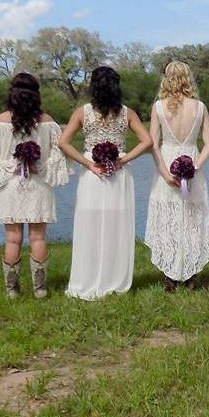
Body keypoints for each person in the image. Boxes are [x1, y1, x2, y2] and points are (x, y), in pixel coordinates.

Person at [58, 66, 152, 299]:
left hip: (93, 173)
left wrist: (87, 163)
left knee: (89, 226)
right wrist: (123, 159)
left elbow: (63, 142)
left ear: (93, 87)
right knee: (116, 227)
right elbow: (147, 141)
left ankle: (88, 278)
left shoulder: (83, 112)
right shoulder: (127, 113)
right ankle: (114, 280)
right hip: (118, 174)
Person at [0, 73, 69, 299]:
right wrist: (42, 167)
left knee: (12, 238)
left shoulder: (1, 120)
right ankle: (40, 289)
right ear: (36, 94)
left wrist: (8, 166)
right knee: (38, 238)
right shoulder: (47, 121)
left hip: (11, 186)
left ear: (12, 92)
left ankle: (12, 290)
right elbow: (62, 151)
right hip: (38, 185)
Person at [145, 61, 209, 291]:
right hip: (192, 159)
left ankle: (171, 276)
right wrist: (195, 167)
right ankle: (191, 275)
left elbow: (153, 144)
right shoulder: (200, 107)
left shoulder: (158, 107)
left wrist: (165, 173)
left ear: (167, 79)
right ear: (188, 78)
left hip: (167, 160)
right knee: (192, 217)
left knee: (168, 217)